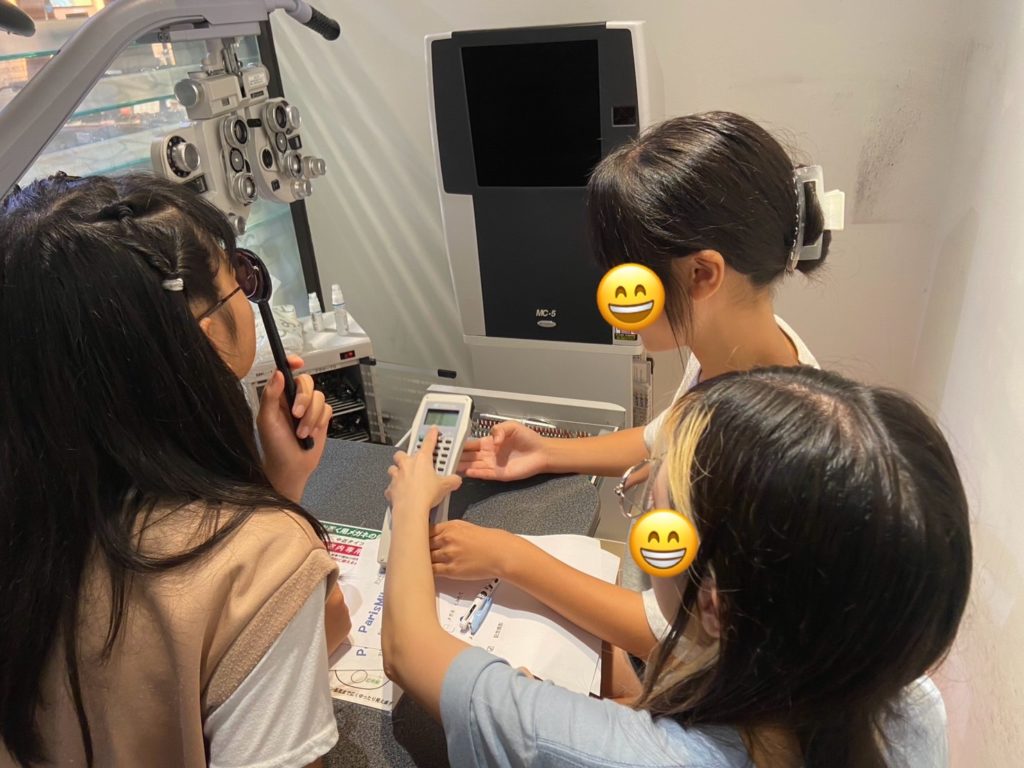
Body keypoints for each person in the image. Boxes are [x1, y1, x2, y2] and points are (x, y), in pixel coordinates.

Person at [382, 366, 971, 767]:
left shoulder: (608, 752)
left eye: (656, 516)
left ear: (715, 607)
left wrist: (411, 506)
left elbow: (409, 650)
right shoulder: (907, 702)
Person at [446, 111, 836, 693]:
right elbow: (665, 431)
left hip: (689, 690)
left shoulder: (764, 454)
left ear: (702, 273)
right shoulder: (746, 343)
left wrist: (510, 557)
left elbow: (678, 636)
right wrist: (547, 452)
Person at [0, 173, 349, 768]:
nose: (248, 294)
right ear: (206, 335)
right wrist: (271, 522)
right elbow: (288, 622)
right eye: (238, 275)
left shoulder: (31, 528)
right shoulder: (256, 562)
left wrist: (275, 488)